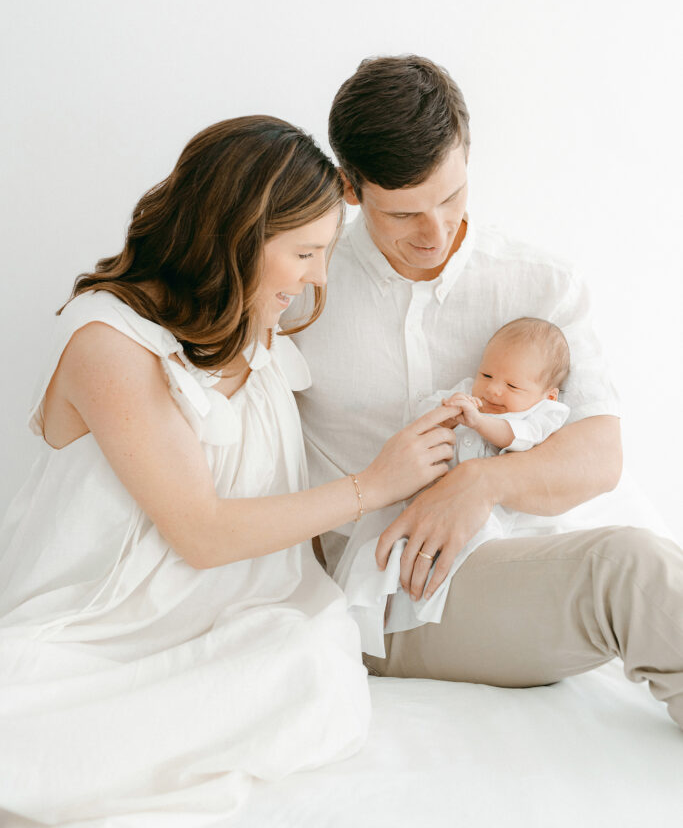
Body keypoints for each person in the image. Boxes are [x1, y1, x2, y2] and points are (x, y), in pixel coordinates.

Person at [0, 116, 457, 825]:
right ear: (237, 236)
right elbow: (201, 533)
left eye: (325, 253)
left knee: (307, 660)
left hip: (235, 625)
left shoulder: (257, 328)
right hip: (93, 634)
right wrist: (374, 484)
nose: (316, 279)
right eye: (304, 253)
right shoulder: (108, 341)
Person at [287, 56, 683, 726]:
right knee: (634, 569)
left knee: (639, 560)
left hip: (529, 557)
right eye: (404, 213)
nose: (435, 233)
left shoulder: (540, 283)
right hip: (393, 594)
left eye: (450, 197)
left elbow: (597, 455)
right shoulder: (296, 294)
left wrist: (479, 486)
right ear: (350, 189)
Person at [333, 316, 572, 657]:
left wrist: (478, 421)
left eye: (512, 386)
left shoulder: (540, 416)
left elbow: (513, 437)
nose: (493, 389)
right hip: (428, 500)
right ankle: (366, 627)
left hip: (485, 515)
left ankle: (450, 626)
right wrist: (446, 414)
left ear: (547, 395)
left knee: (472, 564)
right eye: (486, 375)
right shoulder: (464, 395)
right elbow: (423, 419)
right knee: (381, 552)